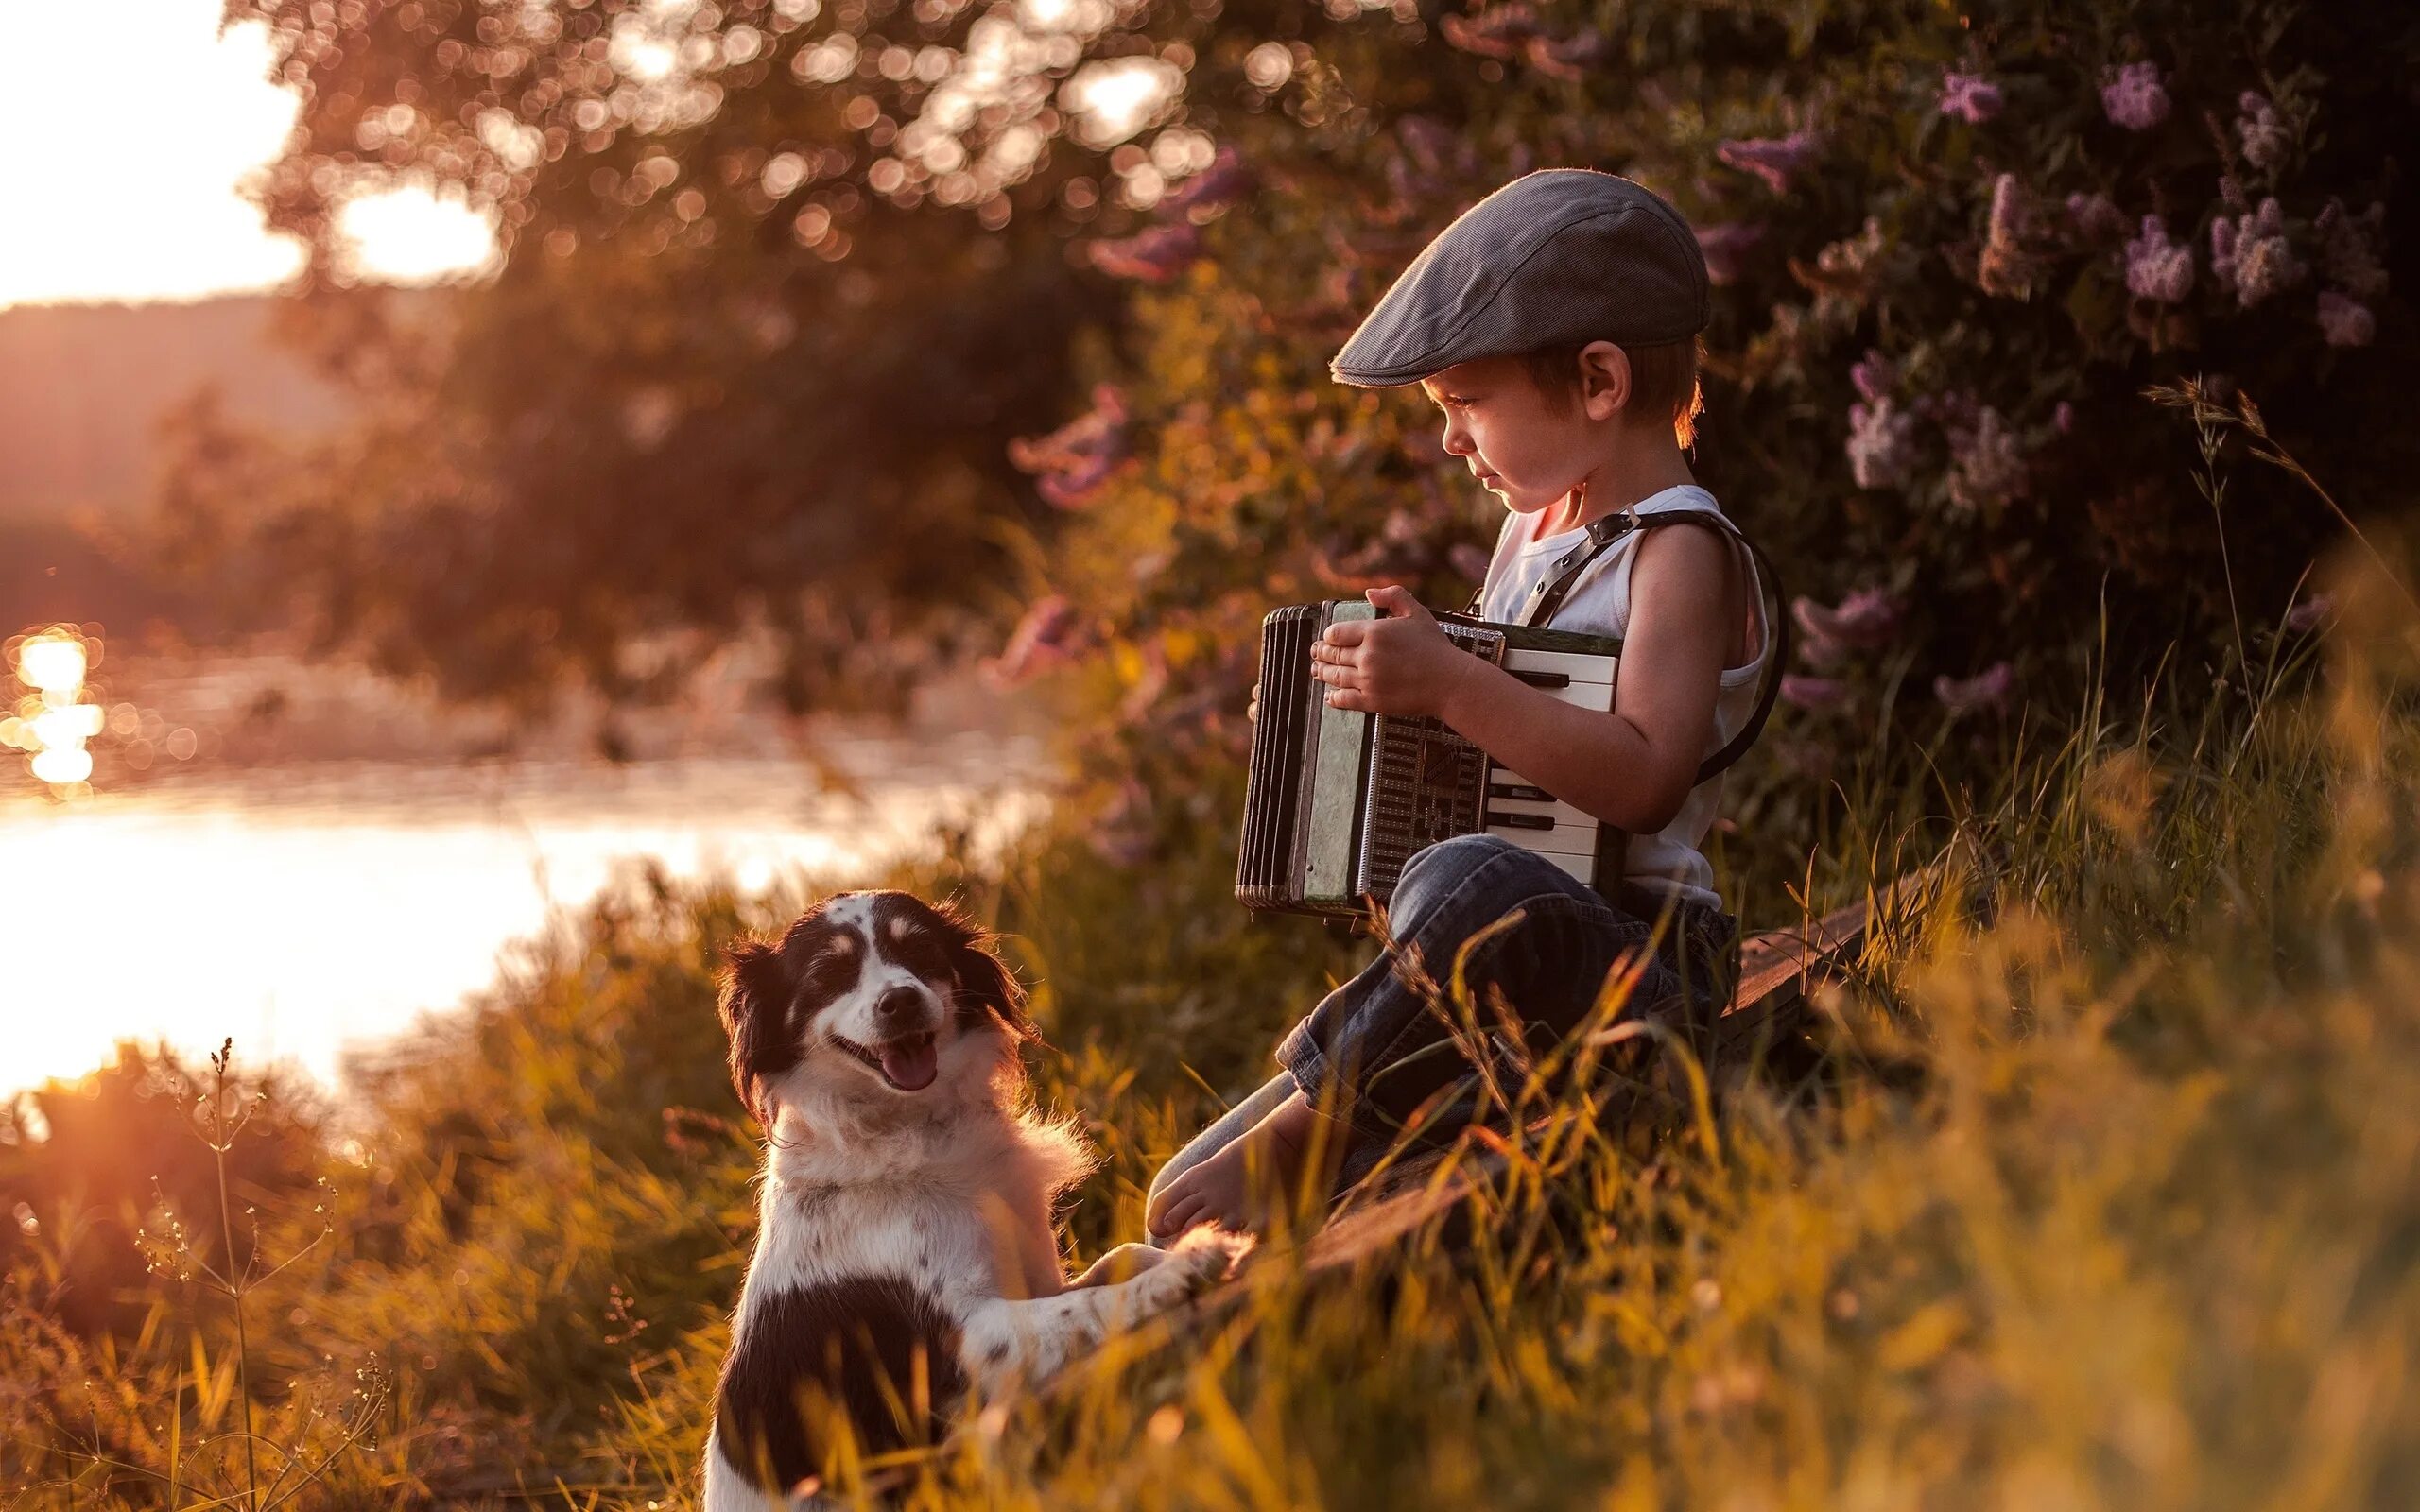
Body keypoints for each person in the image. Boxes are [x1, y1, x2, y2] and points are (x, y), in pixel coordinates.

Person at [1144, 168, 1782, 1243]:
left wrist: (1451, 680)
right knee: (1187, 1176)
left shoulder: (1683, 553)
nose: (1449, 440)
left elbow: (1640, 777)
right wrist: (1360, 709)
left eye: (1465, 405)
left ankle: (1318, 1126)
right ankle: (1330, 1120)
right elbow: (1495, 753)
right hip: (1505, 944)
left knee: (1469, 881)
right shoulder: (1530, 533)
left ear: (1596, 380)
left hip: (1643, 957)